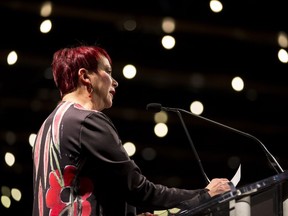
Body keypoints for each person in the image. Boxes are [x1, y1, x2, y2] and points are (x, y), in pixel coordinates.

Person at [32, 44, 232, 216]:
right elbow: (139, 190)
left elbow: (83, 190)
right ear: (85, 76)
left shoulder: (46, 128)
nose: (115, 81)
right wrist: (204, 195)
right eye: (108, 72)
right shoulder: (87, 121)